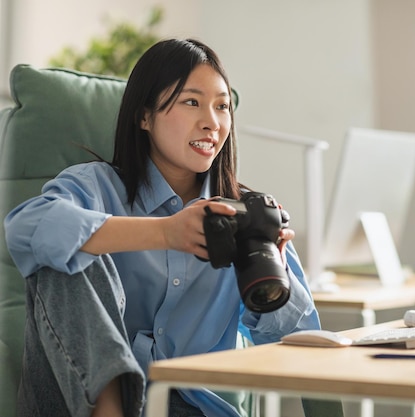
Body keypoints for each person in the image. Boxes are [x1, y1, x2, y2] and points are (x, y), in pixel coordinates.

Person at [4, 38, 321, 417]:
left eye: (222, 106)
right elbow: (26, 227)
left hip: (189, 407)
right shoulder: (94, 187)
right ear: (144, 115)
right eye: (192, 102)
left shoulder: (244, 214)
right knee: (67, 249)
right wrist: (165, 232)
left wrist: (273, 274)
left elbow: (299, 343)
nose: (212, 122)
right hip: (74, 404)